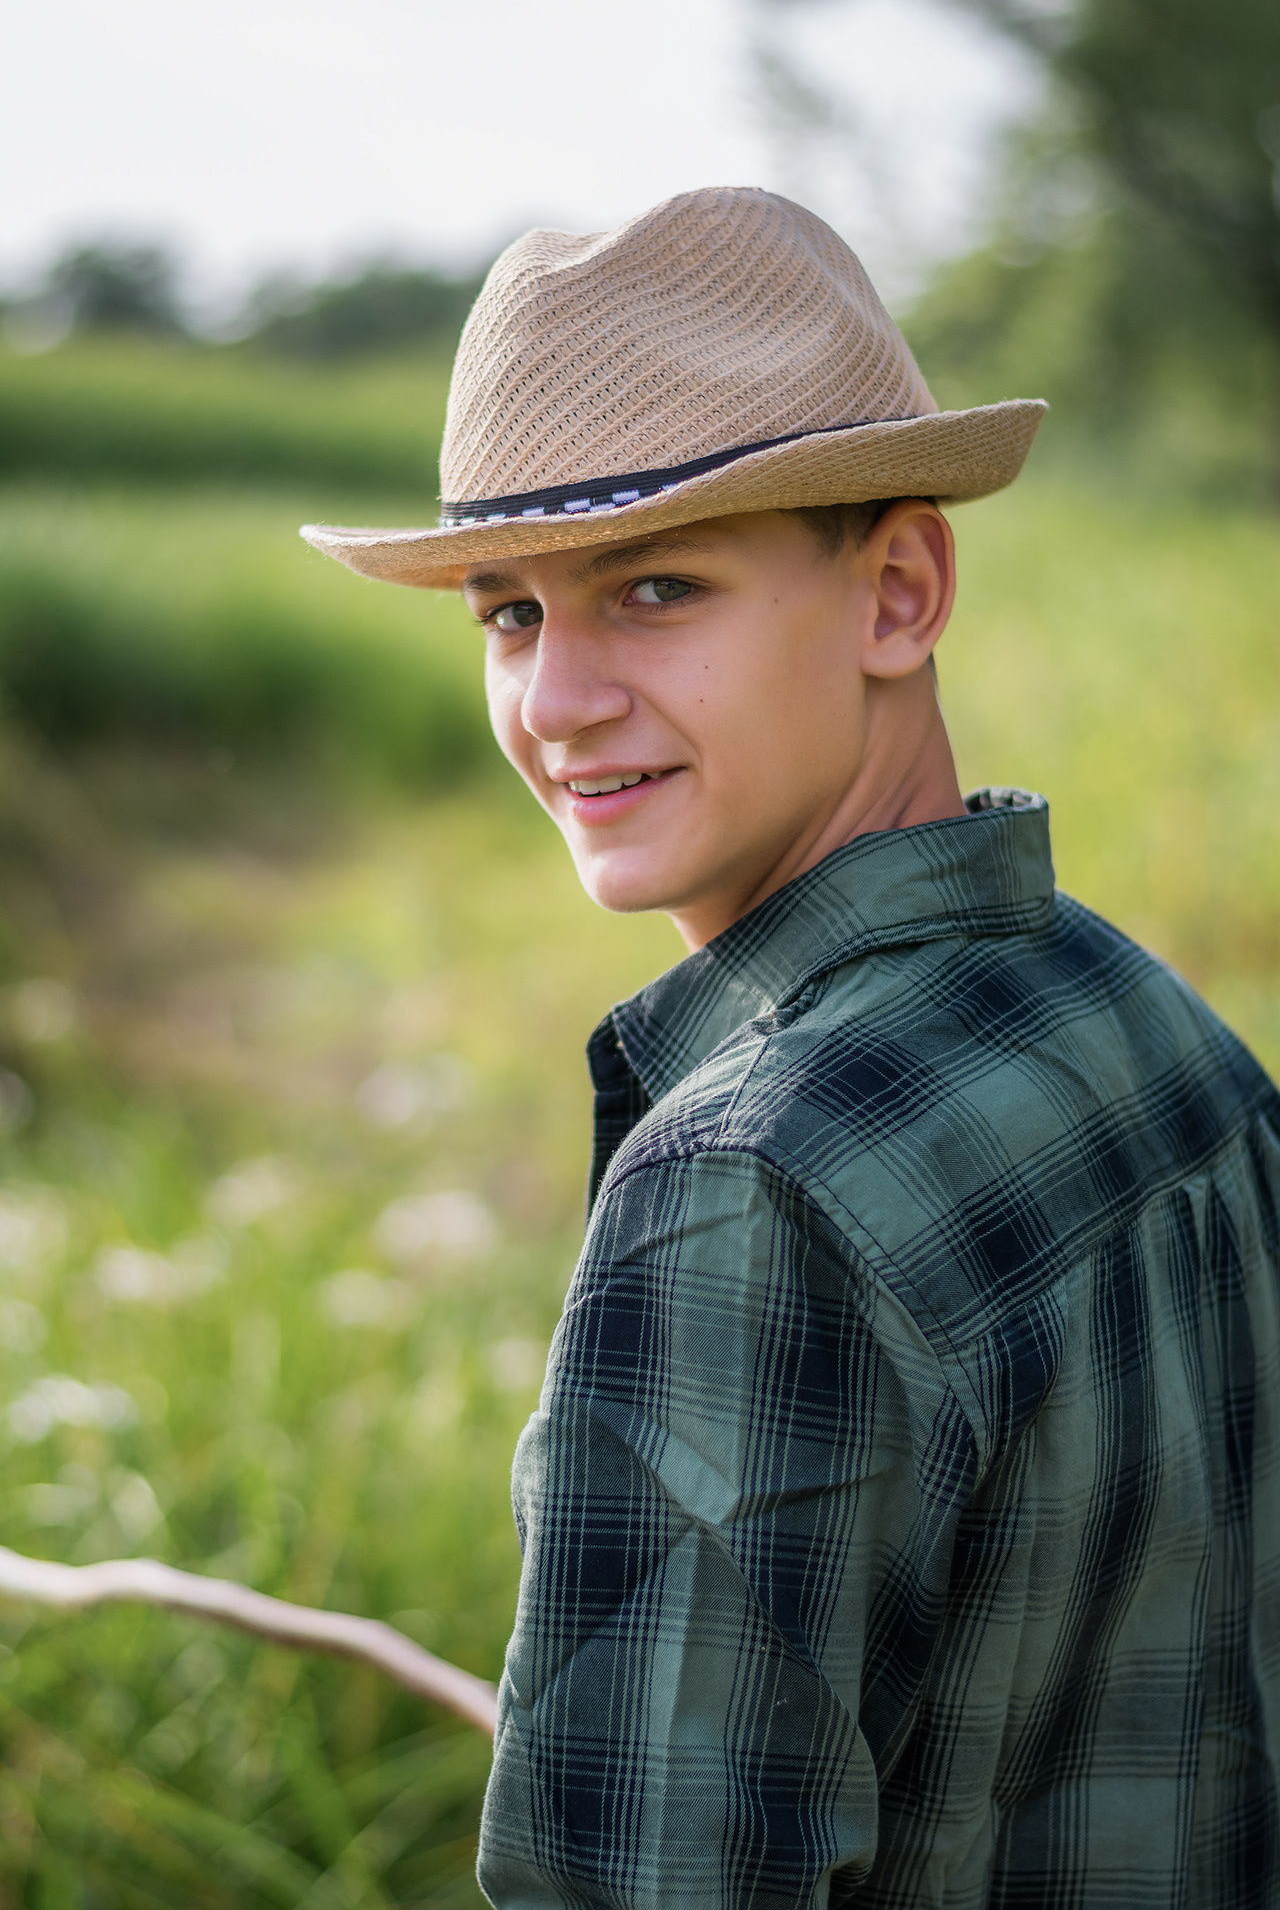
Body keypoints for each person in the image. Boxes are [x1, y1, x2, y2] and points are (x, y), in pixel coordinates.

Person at [303, 189, 1280, 1908]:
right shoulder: (1164, 1033)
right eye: (509, 613)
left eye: (654, 588)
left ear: (898, 591)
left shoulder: (745, 1191)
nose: (556, 700)